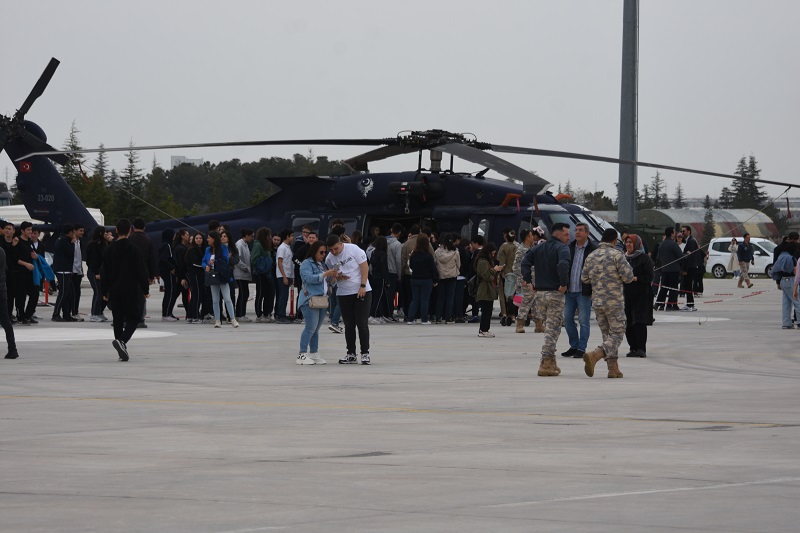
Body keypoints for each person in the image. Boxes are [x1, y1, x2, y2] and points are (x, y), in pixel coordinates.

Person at [581, 228, 635, 378]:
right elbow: (628, 277)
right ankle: (596, 354)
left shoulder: (591, 256)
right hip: (614, 302)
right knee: (617, 334)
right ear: (614, 241)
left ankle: (613, 369)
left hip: (597, 301)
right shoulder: (617, 255)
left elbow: (584, 278)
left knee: (608, 335)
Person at [521, 222, 571, 376]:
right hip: (554, 293)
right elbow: (563, 265)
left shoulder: (538, 248)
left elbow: (525, 262)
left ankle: (552, 362)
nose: (568, 237)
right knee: (553, 330)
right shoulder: (562, 248)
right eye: (566, 234)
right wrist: (564, 284)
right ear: (558, 234)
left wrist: (528, 280)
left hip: (540, 294)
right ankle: (546, 362)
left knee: (550, 329)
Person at [101, 219, 150, 362]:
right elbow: (141, 271)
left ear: (116, 230)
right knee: (134, 318)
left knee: (118, 319)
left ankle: (120, 346)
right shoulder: (134, 250)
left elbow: (104, 273)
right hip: (131, 289)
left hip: (114, 289)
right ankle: (122, 341)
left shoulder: (108, 250)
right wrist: (145, 289)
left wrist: (104, 292)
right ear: (130, 231)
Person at [325, 234, 372, 365]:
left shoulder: (354, 249)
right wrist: (337, 277)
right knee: (349, 324)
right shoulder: (329, 259)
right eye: (331, 250)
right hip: (343, 293)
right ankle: (351, 353)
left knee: (361, 323)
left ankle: (365, 353)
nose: (334, 252)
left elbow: (364, 267)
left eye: (336, 248)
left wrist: (362, 285)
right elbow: (331, 279)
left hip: (361, 290)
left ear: (341, 244)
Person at [297, 241, 339, 365]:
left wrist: (335, 277)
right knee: (310, 327)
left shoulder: (322, 265)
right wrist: (325, 274)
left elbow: (328, 282)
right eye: (321, 252)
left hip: (322, 299)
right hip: (309, 299)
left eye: (325, 252)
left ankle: (314, 353)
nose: (323, 254)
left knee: (316, 329)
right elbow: (308, 279)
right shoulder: (306, 263)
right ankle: (302, 354)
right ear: (314, 251)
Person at [562, 223, 597, 359]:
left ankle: (581, 348)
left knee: (583, 321)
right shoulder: (570, 248)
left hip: (584, 292)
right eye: (575, 230)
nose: (577, 233)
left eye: (581, 230)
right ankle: (574, 345)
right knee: (568, 319)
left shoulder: (592, 249)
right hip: (570, 291)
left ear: (587, 233)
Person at [623, 234, 655, 357]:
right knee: (629, 321)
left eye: (631, 242)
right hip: (627, 294)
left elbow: (649, 277)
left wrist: (635, 278)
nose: (628, 244)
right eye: (627, 242)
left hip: (642, 294)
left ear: (637, 244)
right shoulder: (623, 258)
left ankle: (641, 348)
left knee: (639, 322)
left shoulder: (644, 258)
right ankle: (633, 348)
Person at [202, 230, 239, 328]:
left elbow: (226, 260)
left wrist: (216, 261)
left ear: (214, 239)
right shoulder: (208, 249)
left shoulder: (223, 248)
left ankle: (232, 318)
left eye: (209, 238)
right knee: (215, 299)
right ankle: (217, 320)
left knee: (227, 298)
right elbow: (204, 260)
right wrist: (205, 266)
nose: (208, 240)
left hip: (222, 275)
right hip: (212, 275)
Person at [128, 218, 157, 327]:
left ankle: (129, 318)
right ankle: (140, 319)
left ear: (133, 227)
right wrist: (151, 275)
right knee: (142, 296)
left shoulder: (129, 239)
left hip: (129, 271)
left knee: (129, 296)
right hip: (143, 271)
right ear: (144, 227)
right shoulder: (148, 240)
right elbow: (152, 260)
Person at [406, 234, 439, 325]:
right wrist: (435, 280)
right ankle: (424, 319)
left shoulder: (413, 255)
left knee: (415, 299)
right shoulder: (428, 256)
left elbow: (411, 266)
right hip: (426, 279)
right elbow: (433, 268)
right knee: (425, 300)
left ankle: (410, 318)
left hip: (414, 278)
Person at [474, 243, 502, 337]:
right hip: (484, 289)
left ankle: (485, 329)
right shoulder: (483, 262)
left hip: (489, 289)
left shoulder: (487, 261)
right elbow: (486, 276)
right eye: (492, 253)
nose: (493, 255)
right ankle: (483, 329)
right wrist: (494, 270)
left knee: (488, 311)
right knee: (486, 311)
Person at [14, 222, 39, 326]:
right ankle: (20, 316)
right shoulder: (17, 241)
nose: (30, 232)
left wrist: (35, 256)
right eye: (28, 230)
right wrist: (25, 264)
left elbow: (32, 254)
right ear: (22, 230)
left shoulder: (30, 241)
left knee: (35, 293)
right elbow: (14, 258)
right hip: (19, 271)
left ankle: (28, 315)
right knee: (21, 295)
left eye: (31, 230)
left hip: (29, 272)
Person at [51, 224, 77, 322]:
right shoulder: (63, 241)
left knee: (69, 293)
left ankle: (66, 314)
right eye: (73, 232)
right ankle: (56, 313)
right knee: (63, 292)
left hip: (66, 269)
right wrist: (73, 243)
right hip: (63, 270)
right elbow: (70, 253)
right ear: (70, 233)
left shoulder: (63, 240)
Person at [434, 233, 460, 323]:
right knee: (450, 298)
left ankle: (438, 317)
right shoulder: (456, 252)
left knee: (440, 298)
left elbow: (435, 263)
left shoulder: (437, 252)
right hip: (452, 276)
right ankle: (447, 317)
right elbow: (458, 265)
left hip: (441, 276)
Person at [86, 226, 110, 322]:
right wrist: (96, 272)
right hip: (94, 272)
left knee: (103, 292)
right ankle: (94, 314)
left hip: (102, 271)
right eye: (105, 233)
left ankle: (99, 312)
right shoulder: (93, 245)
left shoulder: (103, 244)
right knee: (98, 292)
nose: (106, 235)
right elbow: (93, 260)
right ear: (100, 233)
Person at [250, 227, 275, 323]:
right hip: (260, 273)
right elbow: (254, 259)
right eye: (269, 235)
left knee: (267, 293)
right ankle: (259, 314)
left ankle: (266, 313)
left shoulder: (266, 245)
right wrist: (262, 265)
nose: (270, 237)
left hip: (266, 273)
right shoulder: (258, 245)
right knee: (260, 293)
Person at [772, 241, 799, 329]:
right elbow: (795, 272)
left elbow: (775, 269)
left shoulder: (781, 256)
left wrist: (778, 281)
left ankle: (786, 323)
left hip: (783, 280)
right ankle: (799, 322)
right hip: (791, 280)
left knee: (786, 303)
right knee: (797, 302)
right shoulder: (791, 258)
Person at [654, 227, 682, 311]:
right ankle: (671, 305)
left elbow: (658, 258)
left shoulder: (662, 244)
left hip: (664, 270)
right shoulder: (673, 244)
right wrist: (687, 254)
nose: (675, 234)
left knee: (664, 288)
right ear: (671, 233)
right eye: (674, 232)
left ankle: (658, 303)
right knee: (673, 288)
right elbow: (680, 256)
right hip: (674, 270)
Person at [0, 245, 19, 359]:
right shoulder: (2, 251)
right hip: (2, 289)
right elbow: (5, 268)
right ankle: (13, 349)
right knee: (6, 321)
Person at [496, 229, 518, 324]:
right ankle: (513, 315)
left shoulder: (504, 247)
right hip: (516, 274)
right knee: (514, 294)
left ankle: (505, 314)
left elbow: (501, 261)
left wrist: (498, 273)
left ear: (506, 236)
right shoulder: (518, 246)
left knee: (504, 295)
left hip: (505, 274)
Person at [184, 232, 206, 324]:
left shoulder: (201, 249)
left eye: (200, 238)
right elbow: (195, 262)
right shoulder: (193, 249)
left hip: (199, 274)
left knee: (196, 295)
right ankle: (195, 316)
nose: (198, 240)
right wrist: (205, 265)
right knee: (196, 295)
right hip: (195, 274)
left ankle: (190, 315)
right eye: (196, 238)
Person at [679, 226, 702, 311]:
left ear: (689, 231)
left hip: (690, 268)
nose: (682, 233)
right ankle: (689, 303)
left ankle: (690, 305)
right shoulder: (689, 240)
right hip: (690, 267)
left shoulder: (691, 241)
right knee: (686, 286)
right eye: (682, 231)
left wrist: (685, 270)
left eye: (684, 231)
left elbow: (690, 257)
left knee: (688, 286)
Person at [158, 228, 180, 321]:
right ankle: (166, 314)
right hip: (168, 272)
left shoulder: (166, 245)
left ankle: (168, 313)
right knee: (170, 292)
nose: (174, 236)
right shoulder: (167, 246)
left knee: (170, 292)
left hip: (166, 272)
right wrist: (172, 268)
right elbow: (164, 259)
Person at [368, 236, 390, 323]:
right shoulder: (383, 254)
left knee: (374, 297)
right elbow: (384, 268)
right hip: (380, 278)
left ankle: (377, 314)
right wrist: (387, 280)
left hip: (373, 276)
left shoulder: (374, 252)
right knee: (378, 297)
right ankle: (373, 315)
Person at [234, 228, 254, 322]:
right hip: (240, 273)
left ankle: (242, 313)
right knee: (243, 293)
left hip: (245, 274)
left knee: (245, 294)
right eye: (251, 236)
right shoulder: (239, 244)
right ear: (246, 235)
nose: (252, 238)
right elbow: (237, 259)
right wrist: (245, 267)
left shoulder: (245, 245)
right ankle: (239, 314)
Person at [275, 228, 295, 323]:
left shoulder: (288, 247)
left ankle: (281, 313)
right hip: (283, 275)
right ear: (287, 237)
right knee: (282, 296)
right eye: (292, 236)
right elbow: (280, 262)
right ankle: (280, 315)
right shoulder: (282, 248)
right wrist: (284, 276)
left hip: (288, 274)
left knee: (285, 295)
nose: (293, 237)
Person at [385, 223, 403, 321]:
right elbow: (398, 261)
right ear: (399, 232)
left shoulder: (383, 241)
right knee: (391, 294)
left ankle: (384, 313)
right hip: (393, 272)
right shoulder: (397, 244)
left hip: (383, 271)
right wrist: (399, 275)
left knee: (384, 294)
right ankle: (390, 313)